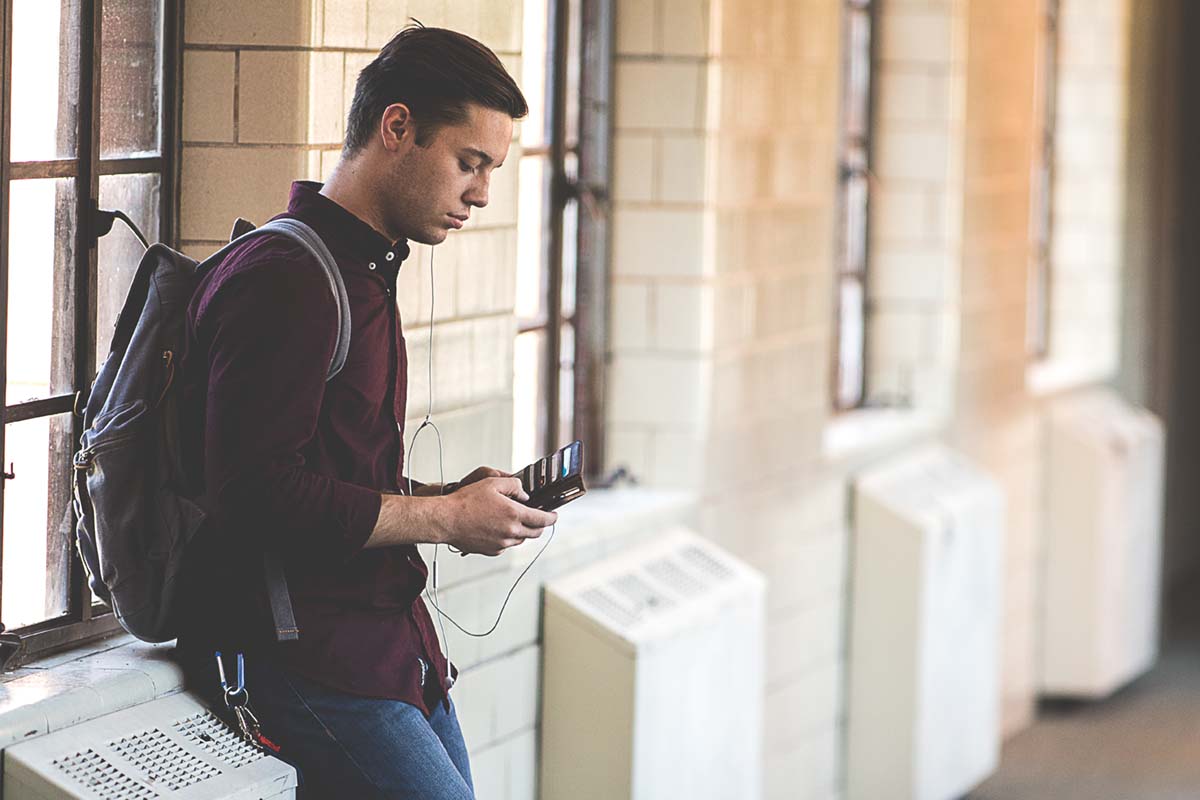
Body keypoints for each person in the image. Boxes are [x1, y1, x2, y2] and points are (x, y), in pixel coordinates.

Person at [174, 24, 557, 800]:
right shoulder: (289, 279)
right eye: (469, 163)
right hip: (304, 657)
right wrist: (447, 522)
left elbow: (332, 477)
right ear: (398, 128)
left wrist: (449, 499)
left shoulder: (361, 271)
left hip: (384, 646)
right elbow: (254, 492)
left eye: (489, 169)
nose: (481, 193)